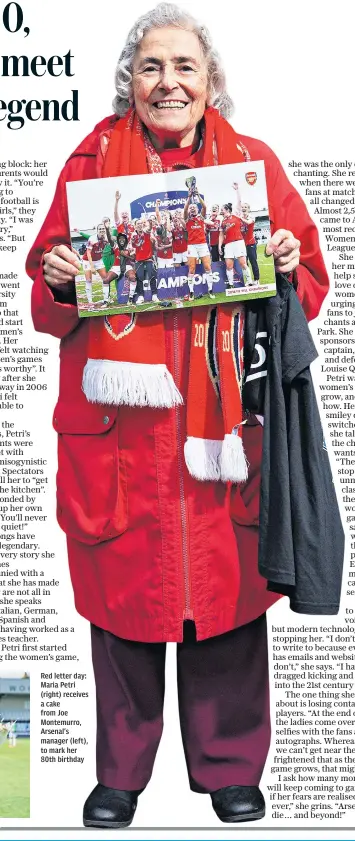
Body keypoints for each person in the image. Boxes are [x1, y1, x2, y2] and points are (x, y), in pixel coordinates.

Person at [26, 2, 330, 829]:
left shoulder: (253, 166)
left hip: (221, 426)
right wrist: (58, 276)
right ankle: (119, 776)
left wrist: (287, 264)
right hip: (119, 438)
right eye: (151, 67)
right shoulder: (88, 166)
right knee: (122, 613)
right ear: (130, 80)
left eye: (184, 67)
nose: (168, 82)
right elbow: (46, 305)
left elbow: (307, 290)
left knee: (226, 606)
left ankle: (230, 769)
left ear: (210, 83)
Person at [184, 191, 215, 300]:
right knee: (191, 269)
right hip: (192, 246)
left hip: (202, 245)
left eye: (194, 207)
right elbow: (185, 209)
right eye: (190, 207)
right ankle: (191, 291)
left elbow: (205, 206)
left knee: (207, 266)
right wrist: (189, 198)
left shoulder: (201, 218)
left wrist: (197, 195)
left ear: (197, 209)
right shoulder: (187, 219)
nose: (192, 208)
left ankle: (210, 290)